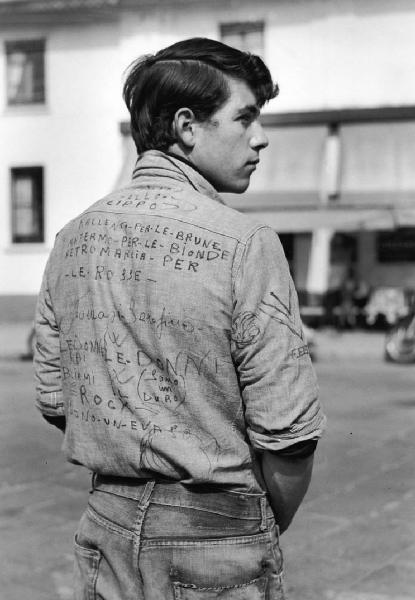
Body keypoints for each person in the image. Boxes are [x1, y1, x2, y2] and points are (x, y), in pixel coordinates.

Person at [34, 37, 326, 600]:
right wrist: (256, 523)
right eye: (245, 118)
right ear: (188, 127)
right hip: (218, 531)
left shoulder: (72, 239)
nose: (260, 138)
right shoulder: (247, 243)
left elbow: (55, 398)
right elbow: (290, 436)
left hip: (106, 525)